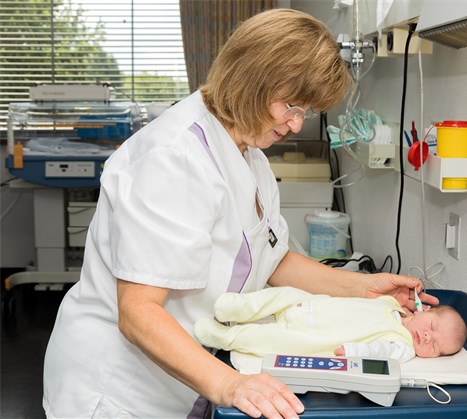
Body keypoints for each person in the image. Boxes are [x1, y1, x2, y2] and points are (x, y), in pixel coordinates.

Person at [42, 8, 439, 419]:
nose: (297, 125)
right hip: (120, 390)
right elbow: (139, 312)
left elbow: (273, 258)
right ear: (251, 78)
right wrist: (230, 384)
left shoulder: (250, 155)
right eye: (290, 105)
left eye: (305, 111)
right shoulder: (174, 158)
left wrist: (363, 288)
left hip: (184, 377)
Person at [195, 286, 466, 363]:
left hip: (314, 337)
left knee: (267, 340)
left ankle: (225, 336)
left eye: (437, 347)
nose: (428, 337)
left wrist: (354, 352)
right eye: (431, 324)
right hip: (313, 305)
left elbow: (382, 353)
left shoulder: (403, 346)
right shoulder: (391, 305)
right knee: (285, 294)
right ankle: (239, 307)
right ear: (424, 308)